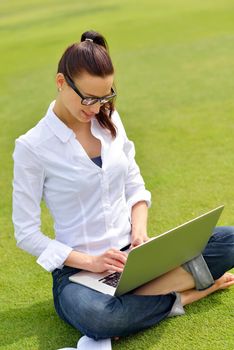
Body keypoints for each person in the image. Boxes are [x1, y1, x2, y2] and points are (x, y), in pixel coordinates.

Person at [12, 30, 234, 349]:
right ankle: (185, 294)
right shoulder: (32, 147)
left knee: (229, 241)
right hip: (79, 275)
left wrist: (139, 234)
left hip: (135, 257)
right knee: (98, 318)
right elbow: (26, 233)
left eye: (104, 97)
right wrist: (92, 262)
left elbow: (135, 184)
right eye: (87, 98)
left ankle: (143, 295)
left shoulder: (108, 117)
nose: (95, 108)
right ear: (61, 83)